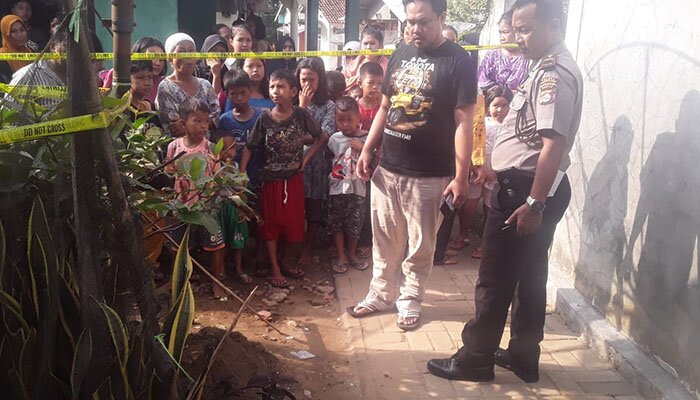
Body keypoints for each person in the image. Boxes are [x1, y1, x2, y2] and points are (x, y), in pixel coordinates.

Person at [427, 0, 584, 383]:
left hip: (525, 193)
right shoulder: (544, 66)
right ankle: (522, 355)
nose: (519, 38)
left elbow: (552, 146)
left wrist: (534, 203)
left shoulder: (553, 75)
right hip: (531, 190)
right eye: (515, 30)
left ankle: (475, 358)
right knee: (530, 276)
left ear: (554, 25)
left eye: (527, 29)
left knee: (495, 279)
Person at [347, 0, 477, 331]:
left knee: (421, 243)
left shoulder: (458, 61)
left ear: (441, 18)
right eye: (410, 22)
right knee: (385, 237)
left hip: (430, 173)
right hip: (388, 167)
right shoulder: (402, 51)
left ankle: (411, 297)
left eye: (423, 22)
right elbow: (384, 107)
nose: (414, 29)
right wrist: (368, 150)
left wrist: (461, 176)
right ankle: (380, 293)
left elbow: (464, 122)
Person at [240, 69, 325, 288]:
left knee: (294, 224)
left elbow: (321, 137)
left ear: (294, 91)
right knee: (271, 224)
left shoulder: (301, 115)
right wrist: (240, 174)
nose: (275, 91)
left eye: (280, 87)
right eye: (272, 87)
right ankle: (274, 269)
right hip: (271, 180)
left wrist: (304, 161)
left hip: (294, 180)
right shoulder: (265, 118)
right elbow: (250, 147)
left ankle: (286, 261)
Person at [165, 98, 228, 299]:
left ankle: (217, 282)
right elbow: (169, 172)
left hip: (206, 207)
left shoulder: (210, 148)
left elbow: (217, 177)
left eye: (206, 121)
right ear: (183, 123)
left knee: (215, 245)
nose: (203, 126)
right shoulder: (174, 147)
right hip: (181, 207)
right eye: (197, 120)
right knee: (179, 247)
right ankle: (178, 282)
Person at [296, 57, 335, 267]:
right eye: (303, 79)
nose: (307, 85)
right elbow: (291, 132)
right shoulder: (292, 102)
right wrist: (302, 108)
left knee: (314, 206)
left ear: (320, 80)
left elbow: (325, 135)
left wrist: (307, 149)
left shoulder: (329, 106)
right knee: (294, 205)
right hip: (293, 161)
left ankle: (308, 248)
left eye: (312, 79)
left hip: (317, 163)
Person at [327, 97, 370, 274]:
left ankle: (352, 253)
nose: (345, 124)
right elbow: (330, 157)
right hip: (337, 188)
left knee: (355, 222)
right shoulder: (334, 139)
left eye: (350, 120)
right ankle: (340, 254)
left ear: (359, 118)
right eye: (341, 120)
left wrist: (363, 148)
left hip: (358, 188)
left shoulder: (367, 138)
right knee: (336, 222)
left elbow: (375, 160)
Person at [470, 85, 513, 259]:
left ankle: (484, 244)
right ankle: (463, 234)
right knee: (469, 205)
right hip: (478, 171)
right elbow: (474, 145)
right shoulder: (482, 123)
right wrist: (477, 167)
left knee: (490, 210)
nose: (500, 110)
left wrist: (497, 173)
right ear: (488, 106)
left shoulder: (511, 128)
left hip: (497, 176)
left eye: (504, 105)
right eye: (496, 105)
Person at [156, 33, 220, 137]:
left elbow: (216, 113)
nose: (188, 56)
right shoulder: (166, 87)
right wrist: (203, 122)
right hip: (180, 149)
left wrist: (192, 124)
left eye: (191, 51)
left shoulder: (205, 85)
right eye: (181, 51)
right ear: (170, 58)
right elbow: (175, 126)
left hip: (206, 148)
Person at [215, 133, 252, 285]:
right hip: (218, 208)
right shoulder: (214, 167)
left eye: (232, 148)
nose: (229, 153)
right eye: (224, 149)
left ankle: (239, 269)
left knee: (238, 240)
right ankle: (221, 269)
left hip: (235, 207)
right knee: (220, 242)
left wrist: (243, 209)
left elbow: (242, 190)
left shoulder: (237, 168)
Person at [218, 70, 261, 178]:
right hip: (232, 175)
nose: (239, 98)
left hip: (257, 172)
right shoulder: (224, 120)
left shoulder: (260, 117)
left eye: (243, 93)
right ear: (227, 94)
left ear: (250, 90)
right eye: (234, 94)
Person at [9, 29, 67, 108]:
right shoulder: (28, 76)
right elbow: (8, 114)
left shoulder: (83, 75)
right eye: (67, 46)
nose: (75, 53)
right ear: (53, 47)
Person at [478, 10, 530, 92]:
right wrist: (501, 93)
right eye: (500, 33)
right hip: (495, 102)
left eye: (506, 32)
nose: (502, 37)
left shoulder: (528, 56)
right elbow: (482, 81)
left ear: (516, 32)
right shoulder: (492, 56)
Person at [103, 37, 167, 103]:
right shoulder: (116, 74)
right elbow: (106, 101)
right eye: (152, 57)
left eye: (162, 59)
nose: (157, 63)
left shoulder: (164, 83)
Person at [344, 25, 389, 92]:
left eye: (372, 43)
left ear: (381, 46)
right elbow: (343, 85)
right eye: (365, 43)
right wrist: (358, 78)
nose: (368, 47)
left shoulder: (388, 66)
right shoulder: (352, 66)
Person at [0, 14, 33, 83]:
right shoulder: (2, 56)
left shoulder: (30, 51)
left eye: (22, 30)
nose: (20, 35)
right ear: (6, 35)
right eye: (13, 31)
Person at [356, 62, 383, 131]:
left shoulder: (382, 109)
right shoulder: (353, 107)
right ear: (360, 83)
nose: (375, 87)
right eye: (370, 82)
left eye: (379, 83)